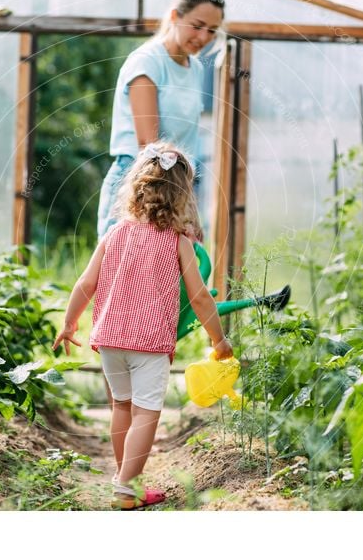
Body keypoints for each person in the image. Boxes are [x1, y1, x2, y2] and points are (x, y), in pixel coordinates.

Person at [53, 142, 233, 510]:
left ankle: (126, 483)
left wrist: (69, 323)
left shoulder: (115, 233)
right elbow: (199, 298)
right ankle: (125, 487)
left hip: (110, 340)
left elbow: (86, 284)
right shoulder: (178, 243)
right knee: (147, 414)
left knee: (122, 408)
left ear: (136, 188)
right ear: (183, 198)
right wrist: (219, 339)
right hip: (149, 343)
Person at [97, 0, 226, 240]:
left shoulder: (197, 69)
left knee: (166, 276)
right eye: (197, 25)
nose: (203, 38)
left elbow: (187, 141)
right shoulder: (147, 61)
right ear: (175, 16)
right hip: (136, 185)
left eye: (212, 30)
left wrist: (188, 206)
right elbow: (149, 146)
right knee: (120, 276)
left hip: (177, 186)